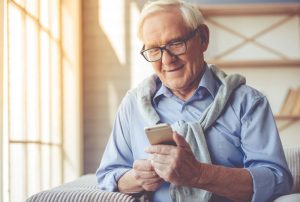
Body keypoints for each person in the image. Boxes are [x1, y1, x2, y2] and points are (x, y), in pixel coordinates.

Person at [96, 0, 293, 201]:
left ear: (203, 38)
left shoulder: (248, 103)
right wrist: (138, 178)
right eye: (154, 50)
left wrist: (199, 174)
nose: (166, 60)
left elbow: (277, 181)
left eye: (175, 43)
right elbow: (108, 175)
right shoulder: (133, 105)